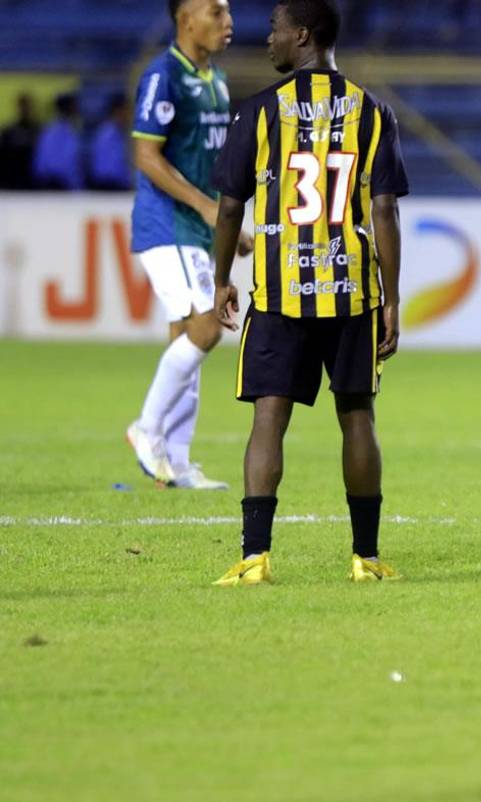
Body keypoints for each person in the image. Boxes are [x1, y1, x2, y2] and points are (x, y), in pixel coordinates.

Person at [210, 0, 410, 585]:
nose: (266, 39)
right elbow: (384, 210)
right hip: (351, 291)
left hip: (280, 292)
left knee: (269, 419)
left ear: (302, 35)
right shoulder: (372, 111)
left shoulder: (260, 112)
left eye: (274, 30)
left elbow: (228, 208)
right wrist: (392, 298)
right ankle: (365, 559)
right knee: (357, 416)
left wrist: (222, 278)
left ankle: (254, 559)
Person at [125, 0, 252, 489]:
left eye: (227, 12)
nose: (228, 21)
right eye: (215, 12)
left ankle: (174, 462)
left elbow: (211, 167)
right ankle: (147, 429)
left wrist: (225, 224)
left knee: (186, 338)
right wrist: (204, 208)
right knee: (207, 327)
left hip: (200, 227)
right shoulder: (164, 75)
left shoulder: (216, 81)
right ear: (185, 20)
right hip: (169, 223)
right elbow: (146, 155)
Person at [32, 93, 83, 190]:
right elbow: (43, 164)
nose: (77, 109)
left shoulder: (71, 128)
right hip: (56, 185)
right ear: (66, 107)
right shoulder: (52, 130)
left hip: (69, 186)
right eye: (74, 105)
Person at [89, 93, 133, 191]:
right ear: (118, 110)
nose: (129, 115)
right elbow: (109, 168)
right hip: (109, 186)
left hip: (114, 184)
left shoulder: (118, 132)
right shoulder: (108, 134)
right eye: (127, 110)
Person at [0, 94, 40, 190]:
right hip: (11, 180)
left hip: (32, 180)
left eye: (27, 106)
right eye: (22, 105)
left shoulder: (38, 130)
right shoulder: (9, 131)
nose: (25, 109)